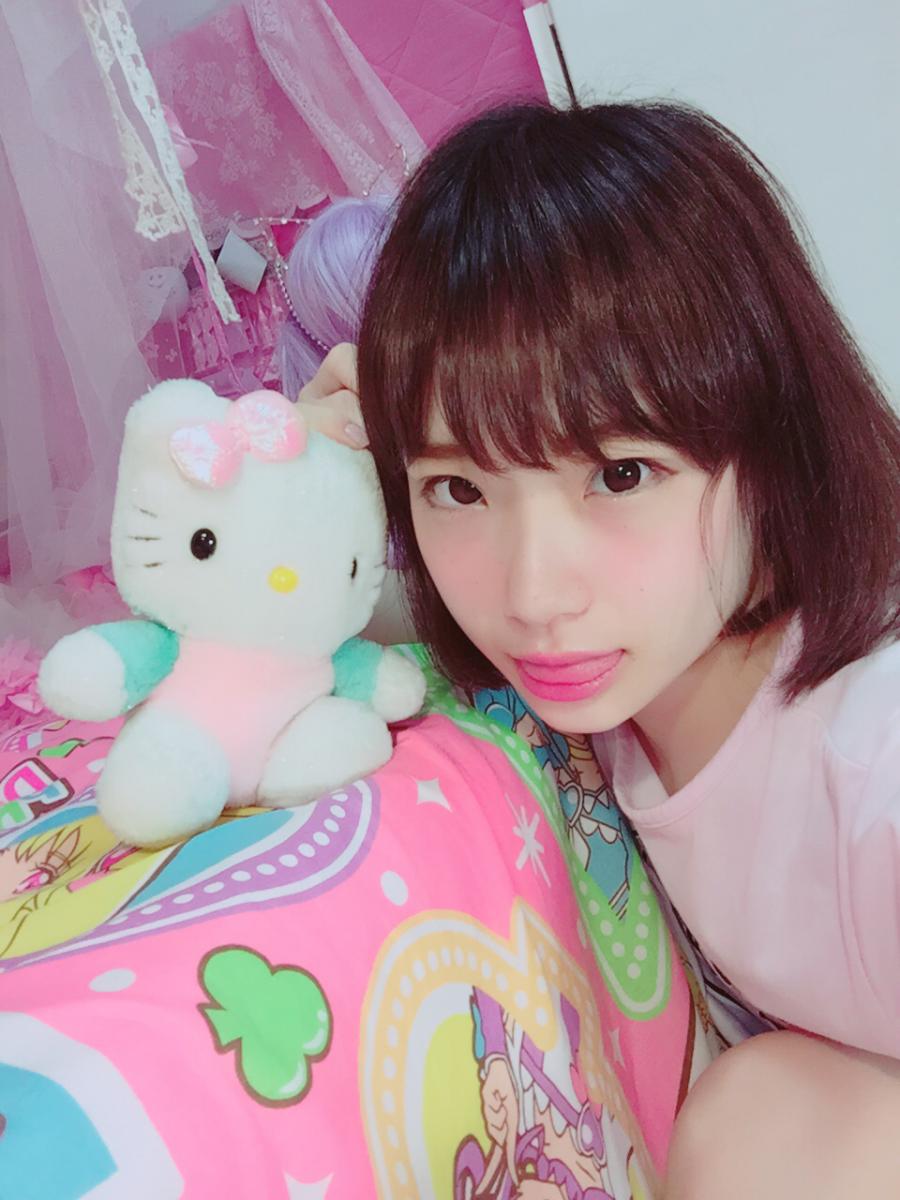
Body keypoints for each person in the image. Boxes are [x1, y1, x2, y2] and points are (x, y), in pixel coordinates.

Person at [297, 99, 900, 1196]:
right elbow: (320, 624)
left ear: (776, 442)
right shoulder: (635, 670)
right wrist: (309, 485)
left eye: (621, 475)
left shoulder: (870, 770)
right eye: (458, 488)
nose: (533, 595)